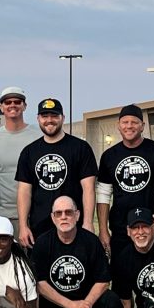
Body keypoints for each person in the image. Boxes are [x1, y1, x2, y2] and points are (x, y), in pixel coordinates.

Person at [33, 196, 131, 308]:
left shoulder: (91, 242)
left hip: (87, 304)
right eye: (59, 213)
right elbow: (41, 285)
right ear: (53, 217)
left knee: (111, 301)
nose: (64, 217)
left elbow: (103, 280)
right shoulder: (42, 243)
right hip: (56, 307)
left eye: (69, 212)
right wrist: (72, 307)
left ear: (77, 215)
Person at [15, 98, 97, 247]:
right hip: (39, 227)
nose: (49, 120)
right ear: (38, 119)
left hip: (74, 226)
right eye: (45, 116)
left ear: (63, 118)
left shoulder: (81, 148)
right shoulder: (29, 152)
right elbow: (24, 192)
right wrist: (23, 226)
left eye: (54, 116)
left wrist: (88, 222)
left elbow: (88, 188)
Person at [96, 103, 154, 258]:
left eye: (134, 122)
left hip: (152, 227)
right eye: (125, 122)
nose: (129, 126)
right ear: (118, 126)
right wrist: (103, 230)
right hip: (121, 228)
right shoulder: (109, 156)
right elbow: (103, 195)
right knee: (122, 276)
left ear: (142, 126)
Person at [0, 86, 40, 231]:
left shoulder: (38, 136)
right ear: (1, 107)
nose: (12, 105)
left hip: (36, 213)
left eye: (17, 102)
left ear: (24, 106)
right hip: (2, 215)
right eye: (8, 102)